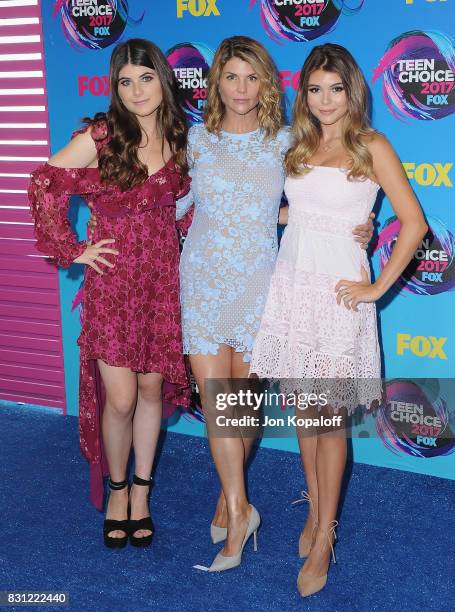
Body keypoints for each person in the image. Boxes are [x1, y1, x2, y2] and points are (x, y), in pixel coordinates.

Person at [175, 36, 374, 572]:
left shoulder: (287, 141)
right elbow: (171, 204)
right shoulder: (194, 140)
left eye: (252, 77)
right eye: (231, 76)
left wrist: (362, 224)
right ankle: (239, 511)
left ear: (267, 84)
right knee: (220, 405)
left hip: (264, 283)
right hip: (203, 280)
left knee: (244, 408)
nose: (241, 88)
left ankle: (231, 495)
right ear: (215, 81)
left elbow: (312, 201)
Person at [249, 43, 428, 596]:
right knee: (304, 413)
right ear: (303, 92)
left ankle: (326, 534)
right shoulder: (298, 145)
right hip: (291, 288)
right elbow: (294, 213)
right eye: (315, 88)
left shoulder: (371, 145)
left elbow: (415, 224)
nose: (325, 100)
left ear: (353, 90)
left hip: (337, 299)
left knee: (328, 422)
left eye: (336, 88)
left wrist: (376, 285)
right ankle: (314, 508)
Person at [28, 38, 191, 548]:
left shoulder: (181, 137)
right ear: (115, 88)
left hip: (164, 281)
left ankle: (141, 492)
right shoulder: (101, 136)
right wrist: (72, 248)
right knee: (119, 398)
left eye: (146, 78)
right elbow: (43, 184)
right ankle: (116, 489)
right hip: (115, 283)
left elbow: (194, 207)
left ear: (162, 80)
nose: (137, 90)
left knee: (149, 393)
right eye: (125, 81)